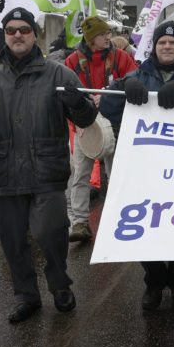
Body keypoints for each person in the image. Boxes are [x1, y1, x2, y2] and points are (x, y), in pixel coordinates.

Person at [0, 8, 97, 324]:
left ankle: (59, 283)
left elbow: (86, 119)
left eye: (24, 30)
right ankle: (27, 296)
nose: (18, 35)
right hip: (6, 173)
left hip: (47, 171)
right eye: (12, 30)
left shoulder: (59, 75)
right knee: (13, 241)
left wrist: (77, 103)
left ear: (35, 35)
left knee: (51, 233)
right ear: (4, 35)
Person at [102, 21, 174, 312]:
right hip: (145, 168)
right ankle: (154, 281)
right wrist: (122, 87)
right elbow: (107, 108)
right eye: (162, 43)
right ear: (154, 46)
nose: (167, 47)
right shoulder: (136, 74)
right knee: (146, 226)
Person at [63, 16, 137, 242]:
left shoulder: (121, 57)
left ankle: (119, 218)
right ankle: (79, 223)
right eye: (103, 34)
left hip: (115, 123)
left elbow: (134, 79)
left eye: (108, 33)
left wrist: (106, 93)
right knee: (80, 174)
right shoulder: (72, 61)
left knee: (115, 173)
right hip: (84, 124)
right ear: (91, 38)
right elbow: (65, 92)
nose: (109, 37)